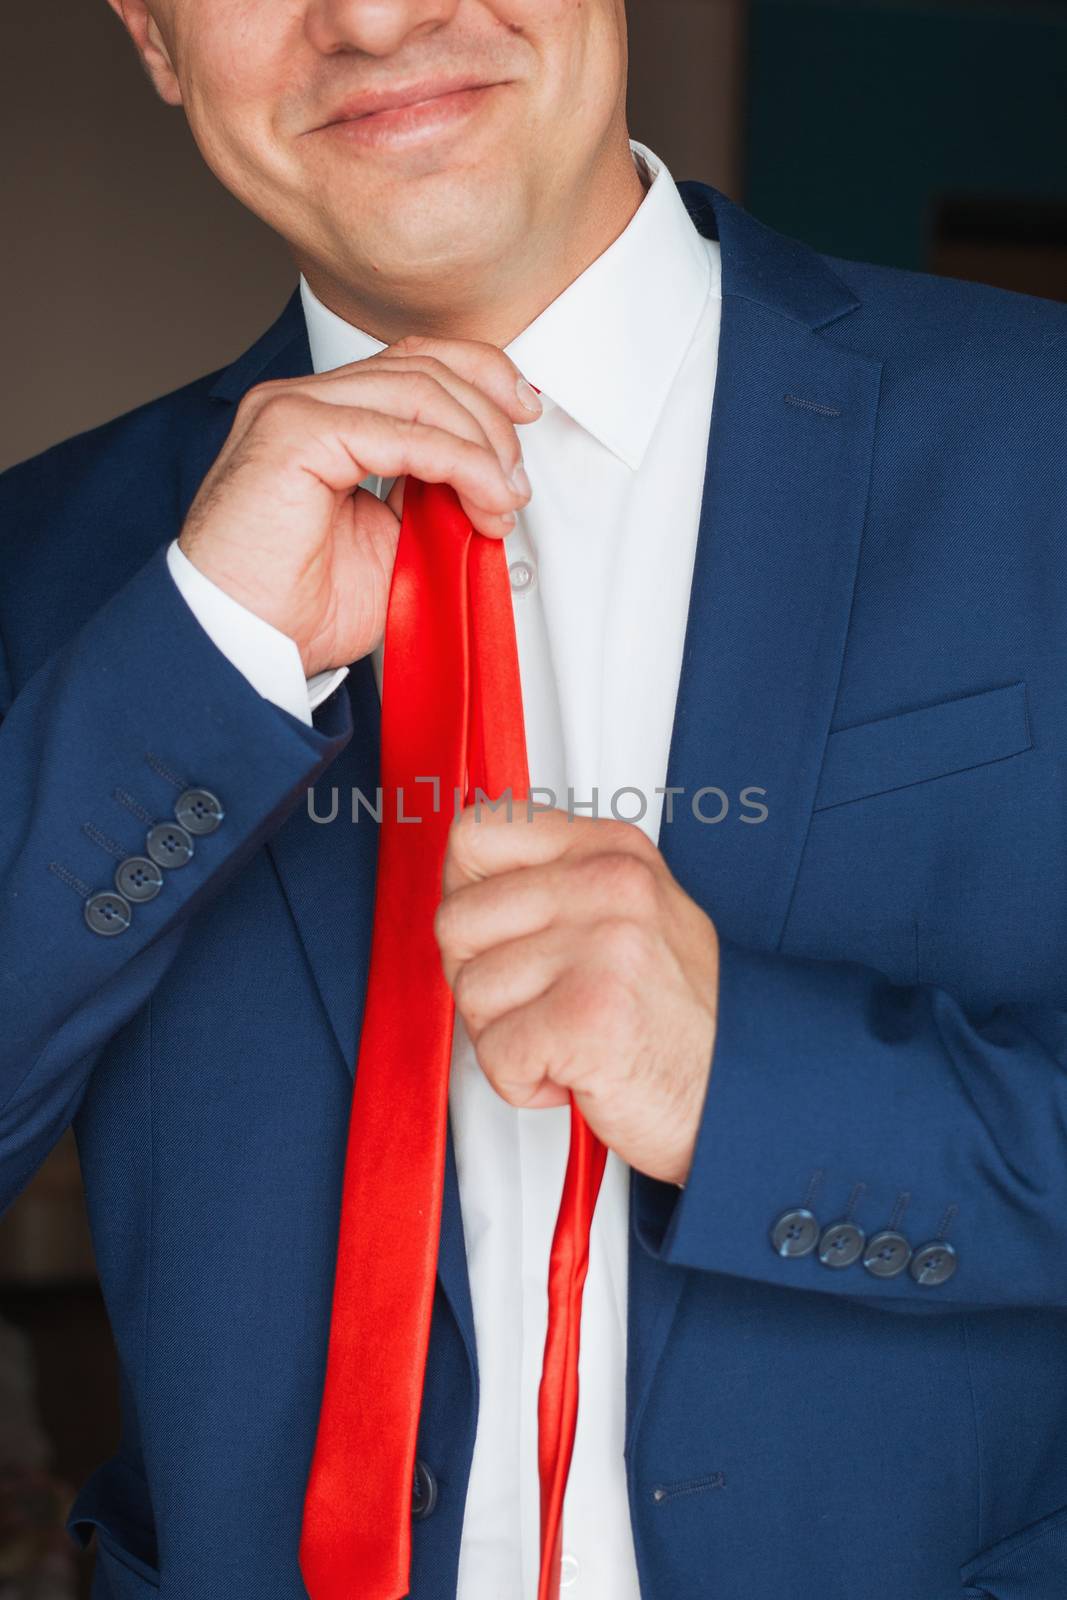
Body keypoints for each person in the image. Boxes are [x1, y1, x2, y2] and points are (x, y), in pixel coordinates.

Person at [2, 1, 1066, 1596]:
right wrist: (198, 664)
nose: (370, 17)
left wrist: (747, 1084)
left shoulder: (1038, 444)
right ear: (152, 36)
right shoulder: (51, 570)